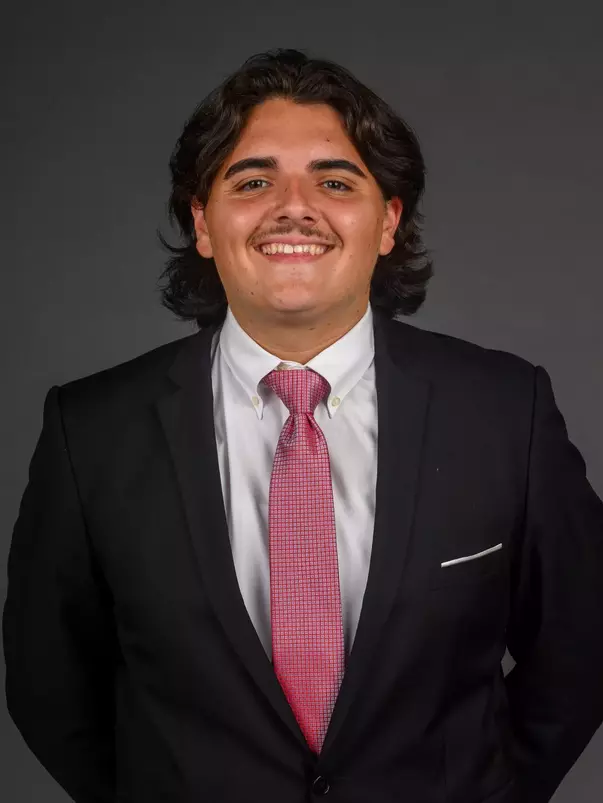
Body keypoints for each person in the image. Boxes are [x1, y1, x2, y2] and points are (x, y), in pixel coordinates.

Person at [3, 47, 603, 803]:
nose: (294, 206)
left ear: (387, 220)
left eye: (335, 180)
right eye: (252, 181)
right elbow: (46, 681)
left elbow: (582, 647)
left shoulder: (504, 410)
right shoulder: (88, 431)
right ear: (202, 222)